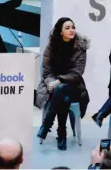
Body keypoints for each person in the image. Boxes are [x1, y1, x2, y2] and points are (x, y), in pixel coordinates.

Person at [34, 17, 90, 150]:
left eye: (73, 27)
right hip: (54, 87)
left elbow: (77, 73)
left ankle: (47, 125)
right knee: (62, 93)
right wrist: (50, 83)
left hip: (75, 87)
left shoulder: (80, 48)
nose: (72, 30)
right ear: (60, 32)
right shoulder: (51, 47)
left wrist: (58, 81)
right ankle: (61, 133)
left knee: (62, 89)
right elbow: (46, 71)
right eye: (67, 28)